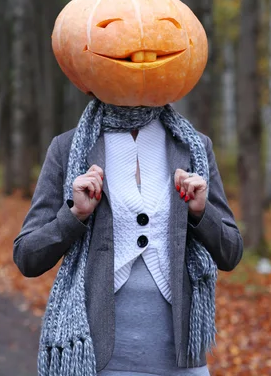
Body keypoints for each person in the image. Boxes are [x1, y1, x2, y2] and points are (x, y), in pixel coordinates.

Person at [13, 98, 243, 375]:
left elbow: (230, 253)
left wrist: (201, 212)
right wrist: (75, 215)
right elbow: (27, 256)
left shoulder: (193, 147)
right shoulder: (68, 147)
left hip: (180, 362)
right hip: (97, 360)